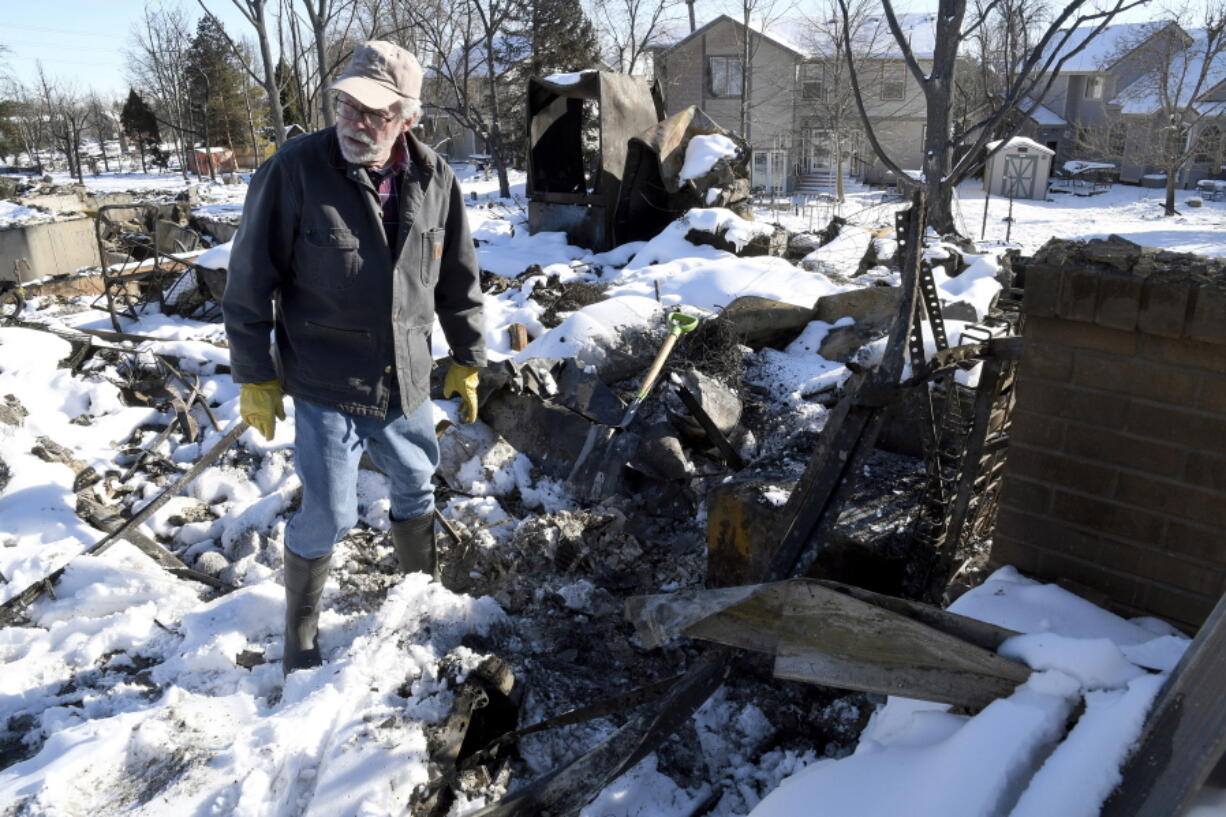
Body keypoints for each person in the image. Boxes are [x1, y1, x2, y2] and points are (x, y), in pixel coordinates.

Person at [222, 41, 486, 674]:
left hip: (405, 377)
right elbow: (249, 281)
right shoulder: (294, 171)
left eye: (374, 112)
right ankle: (300, 632)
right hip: (324, 381)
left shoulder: (435, 179)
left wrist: (468, 356)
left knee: (417, 485)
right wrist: (256, 374)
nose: (355, 121)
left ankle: (417, 599)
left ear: (408, 119)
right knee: (329, 512)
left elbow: (458, 279)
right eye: (346, 104)